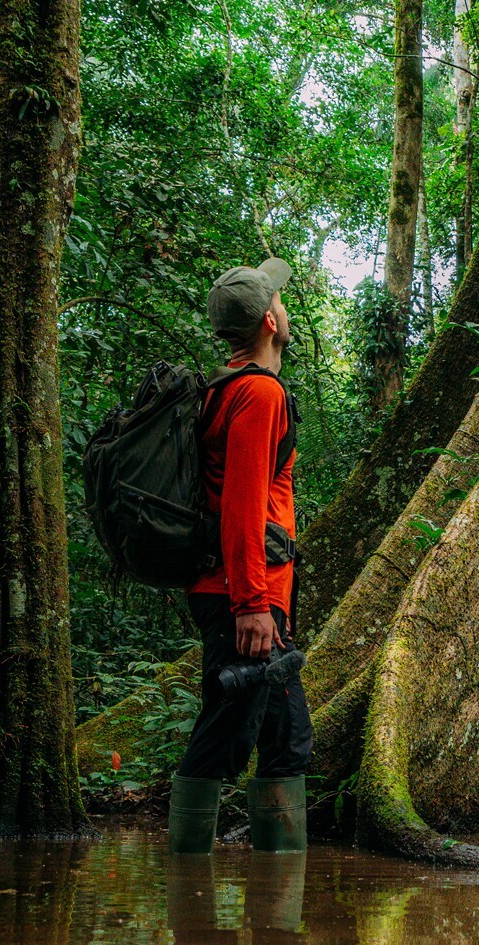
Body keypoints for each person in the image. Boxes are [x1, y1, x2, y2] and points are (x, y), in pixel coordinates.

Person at [168, 257, 313, 855]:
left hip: (240, 592)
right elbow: (243, 506)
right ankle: (188, 892)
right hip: (243, 599)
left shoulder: (223, 389)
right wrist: (253, 604)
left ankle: (279, 914)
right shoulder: (256, 394)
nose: (282, 306)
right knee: (225, 733)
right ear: (269, 323)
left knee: (285, 738)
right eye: (276, 300)